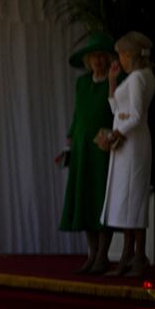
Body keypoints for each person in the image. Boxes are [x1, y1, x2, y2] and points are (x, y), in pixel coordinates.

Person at [59, 32, 115, 273]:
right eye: (93, 57)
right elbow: (78, 112)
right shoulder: (82, 83)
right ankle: (91, 255)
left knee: (102, 200)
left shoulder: (115, 80)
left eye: (101, 56)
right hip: (82, 147)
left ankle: (103, 255)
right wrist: (70, 137)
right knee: (85, 200)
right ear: (88, 61)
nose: (98, 61)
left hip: (103, 148)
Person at [100, 31, 155, 277]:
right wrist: (112, 82)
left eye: (122, 54)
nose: (119, 59)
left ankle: (136, 256)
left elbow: (136, 115)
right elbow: (117, 110)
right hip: (127, 143)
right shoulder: (138, 76)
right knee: (126, 199)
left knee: (133, 199)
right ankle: (128, 256)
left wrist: (115, 134)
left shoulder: (138, 77)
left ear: (130, 55)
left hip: (132, 144)